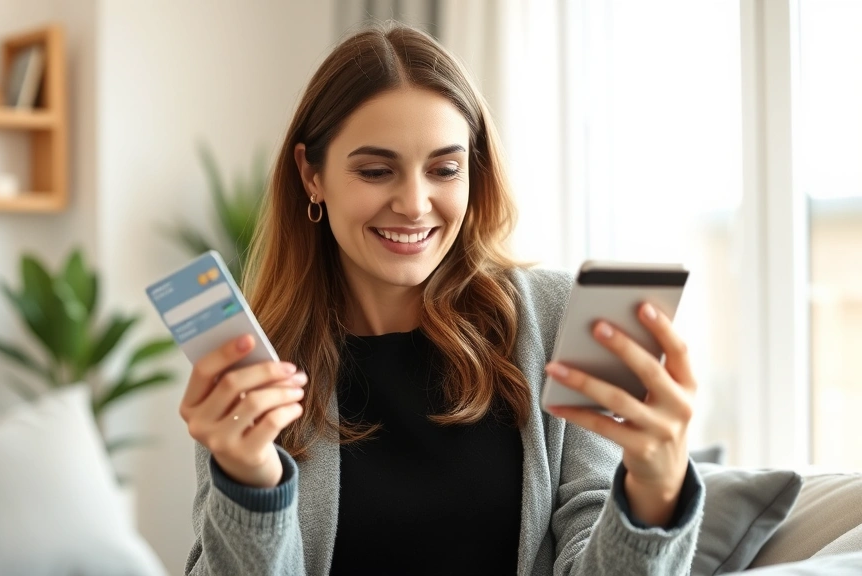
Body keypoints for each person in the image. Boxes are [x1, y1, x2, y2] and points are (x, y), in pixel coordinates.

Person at [179, 22, 703, 576]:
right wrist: (251, 484)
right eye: (376, 171)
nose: (413, 202)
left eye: (444, 169)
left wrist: (654, 491)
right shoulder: (261, 363)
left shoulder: (554, 321)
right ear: (312, 174)